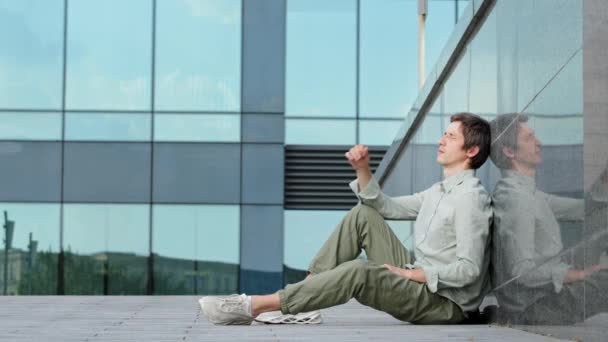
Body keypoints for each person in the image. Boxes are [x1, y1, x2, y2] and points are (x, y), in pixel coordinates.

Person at [200, 112, 493, 325]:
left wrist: (413, 274)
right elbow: (384, 207)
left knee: (359, 271)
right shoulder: (437, 191)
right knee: (363, 215)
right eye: (444, 133)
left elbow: (470, 270)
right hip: (420, 281)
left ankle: (255, 306)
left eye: (451, 136)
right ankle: (304, 302)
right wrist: (363, 169)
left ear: (472, 150)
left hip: (444, 303)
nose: (442, 140)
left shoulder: (470, 198)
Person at [489, 113, 608, 324]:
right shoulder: (516, 199)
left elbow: (583, 208)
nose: (539, 142)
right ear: (509, 151)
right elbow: (521, 272)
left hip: (540, 301)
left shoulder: (528, 194)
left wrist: (603, 179)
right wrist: (578, 274)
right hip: (535, 308)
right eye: (529, 138)